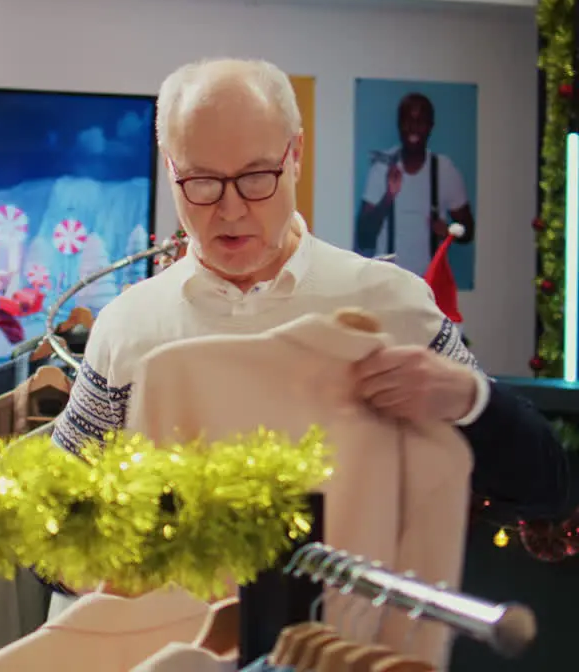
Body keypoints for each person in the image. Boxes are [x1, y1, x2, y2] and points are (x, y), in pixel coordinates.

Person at [50, 58, 567, 595]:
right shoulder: (129, 327)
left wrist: (469, 399)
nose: (230, 210)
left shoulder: (388, 304)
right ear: (170, 168)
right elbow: (55, 539)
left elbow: (543, 488)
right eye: (202, 182)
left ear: (295, 156)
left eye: (256, 178)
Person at [355, 93, 476, 276]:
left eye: (421, 121)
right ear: (399, 124)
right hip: (386, 283)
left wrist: (449, 230)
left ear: (431, 126)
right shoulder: (381, 169)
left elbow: (468, 231)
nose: (414, 127)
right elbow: (363, 236)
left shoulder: (445, 170)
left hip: (428, 287)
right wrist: (388, 196)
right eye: (408, 120)